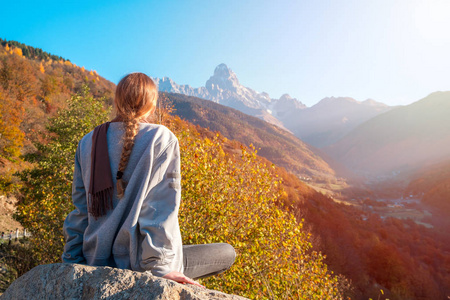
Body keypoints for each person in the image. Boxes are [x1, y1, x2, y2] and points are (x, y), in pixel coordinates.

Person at [62, 73, 235, 287]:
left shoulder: (88, 142)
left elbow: (80, 209)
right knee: (227, 253)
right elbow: (159, 207)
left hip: (94, 258)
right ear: (152, 106)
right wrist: (161, 269)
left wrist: (72, 261)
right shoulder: (161, 138)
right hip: (140, 264)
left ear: (116, 102)